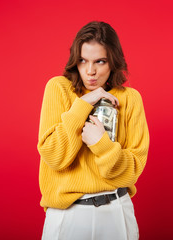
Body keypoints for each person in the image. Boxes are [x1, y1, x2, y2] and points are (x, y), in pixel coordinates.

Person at [37, 21, 150, 240]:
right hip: (68, 214)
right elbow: (54, 157)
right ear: (75, 61)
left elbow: (133, 170)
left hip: (116, 212)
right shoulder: (58, 88)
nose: (90, 71)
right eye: (83, 61)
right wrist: (84, 104)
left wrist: (102, 145)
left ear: (113, 62)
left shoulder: (130, 99)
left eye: (100, 61)